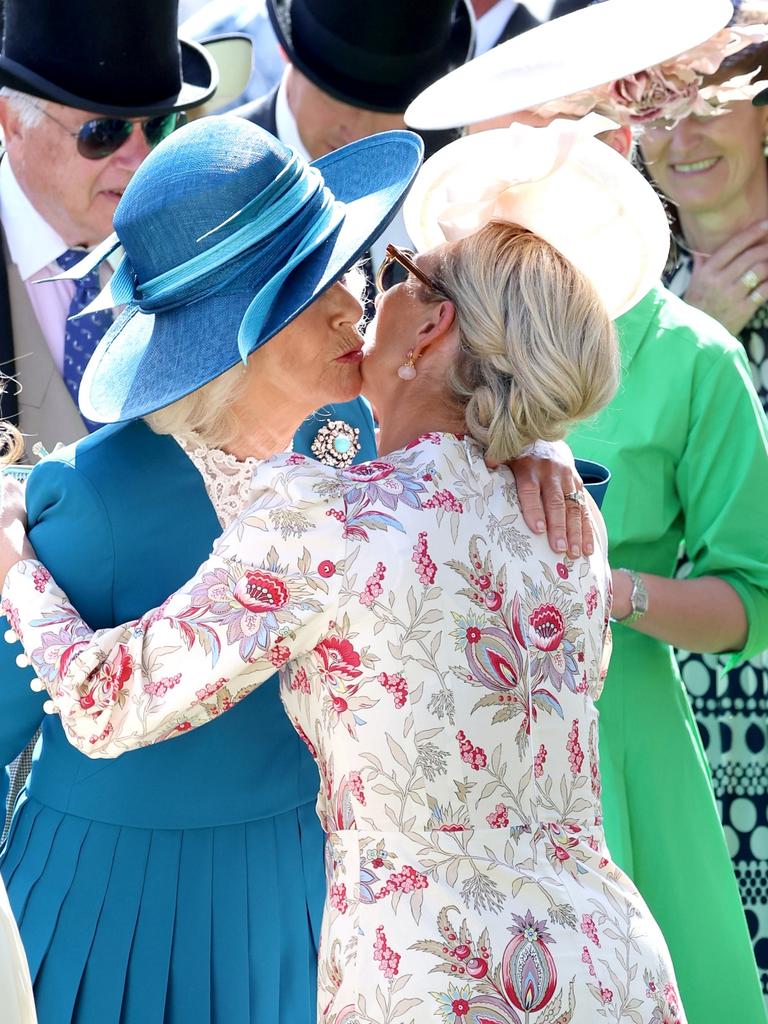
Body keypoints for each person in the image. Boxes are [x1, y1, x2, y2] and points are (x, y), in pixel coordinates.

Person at [0, 115, 690, 1024]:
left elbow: (101, 701)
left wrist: (11, 558)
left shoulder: (341, 506)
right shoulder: (560, 521)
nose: (359, 301)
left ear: (433, 330)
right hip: (609, 965)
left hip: (428, 976)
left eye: (381, 270)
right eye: (313, 286)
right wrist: (531, 437)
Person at [404, 1, 768, 1021]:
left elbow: (755, 600)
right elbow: (330, 445)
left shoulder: (699, 358)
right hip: (451, 728)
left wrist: (605, 589)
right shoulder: (433, 327)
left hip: (618, 732)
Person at [634, 2, 768, 996]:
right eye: (656, 106)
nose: (682, 137)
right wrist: (689, 323)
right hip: (677, 704)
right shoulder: (626, 308)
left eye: (710, 103)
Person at [0, 0, 217, 448]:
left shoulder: (206, 243)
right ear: (13, 124)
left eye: (159, 127)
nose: (140, 159)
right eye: (103, 133)